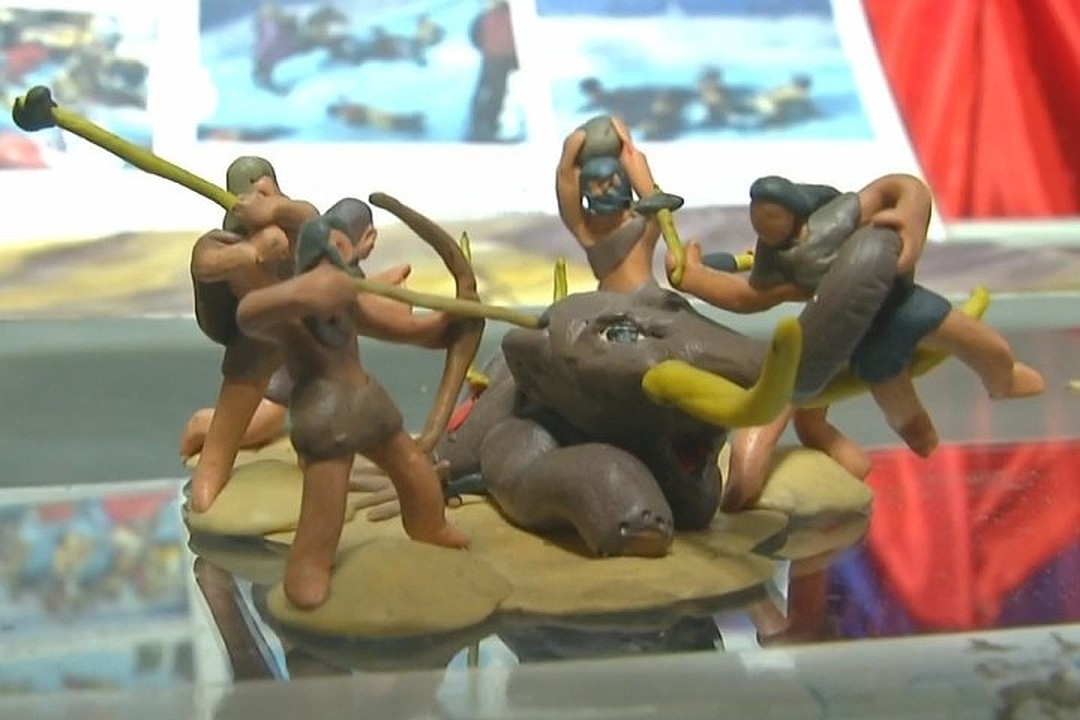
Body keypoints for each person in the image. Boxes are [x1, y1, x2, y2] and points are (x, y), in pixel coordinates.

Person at [669, 174, 1044, 508]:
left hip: (902, 305)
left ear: (793, 212)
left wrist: (911, 221)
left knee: (982, 344)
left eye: (770, 215)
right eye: (757, 217)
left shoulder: (837, 219)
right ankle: (849, 458)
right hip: (852, 337)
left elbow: (900, 186)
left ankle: (1004, 379)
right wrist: (693, 278)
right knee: (894, 404)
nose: (763, 226)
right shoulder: (778, 261)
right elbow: (747, 297)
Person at [236, 199, 468, 608]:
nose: (333, 263)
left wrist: (442, 326)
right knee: (327, 496)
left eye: (340, 253)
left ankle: (430, 526)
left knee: (413, 469)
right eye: (326, 254)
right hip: (325, 412)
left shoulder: (348, 300)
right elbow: (248, 315)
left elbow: (395, 326)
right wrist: (302, 294)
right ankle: (308, 567)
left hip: (367, 400)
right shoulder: (292, 313)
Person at [186, 157, 318, 513]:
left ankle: (318, 467)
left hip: (306, 336)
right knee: (243, 409)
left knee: (311, 409)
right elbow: (206, 263)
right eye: (256, 192)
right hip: (257, 343)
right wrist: (253, 252)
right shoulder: (221, 242)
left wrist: (277, 208)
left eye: (268, 190)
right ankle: (210, 457)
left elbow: (312, 218)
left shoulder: (298, 226)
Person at [556, 114, 682, 293]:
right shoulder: (588, 232)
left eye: (612, 181)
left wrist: (629, 149)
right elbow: (567, 181)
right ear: (584, 191)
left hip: (646, 301)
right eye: (596, 185)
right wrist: (569, 155)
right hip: (604, 303)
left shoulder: (644, 226)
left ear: (625, 180)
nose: (605, 191)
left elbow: (653, 200)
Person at [466, 0, 518, 142]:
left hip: (492, 57)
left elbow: (474, 34)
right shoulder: (509, 15)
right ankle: (488, 124)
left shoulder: (487, 16)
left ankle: (482, 124)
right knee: (496, 92)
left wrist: (484, 48)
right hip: (504, 56)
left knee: (489, 90)